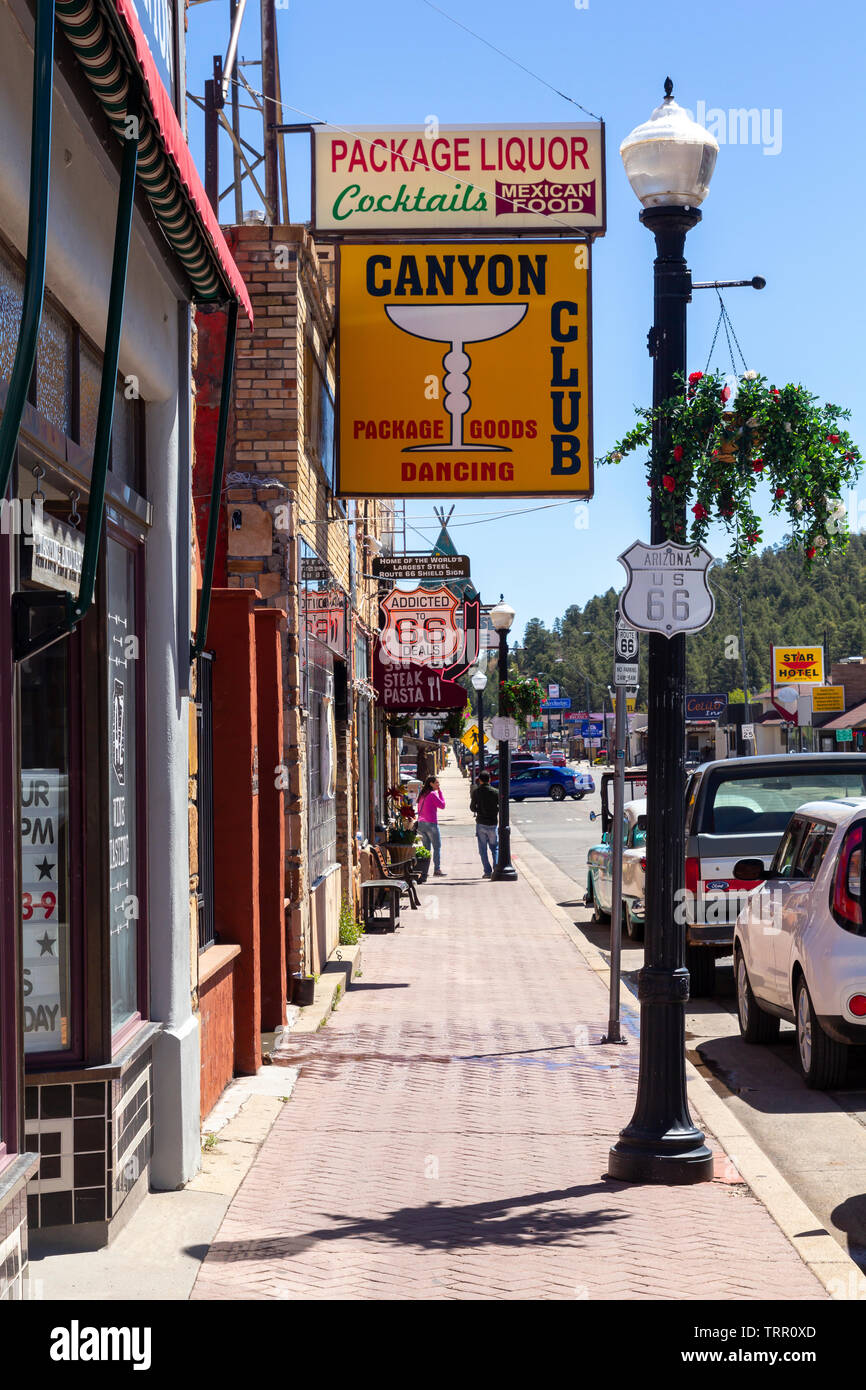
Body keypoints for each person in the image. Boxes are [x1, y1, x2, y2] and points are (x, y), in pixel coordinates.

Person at [470, 771, 499, 878]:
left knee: (483, 850)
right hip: (492, 823)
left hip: (481, 822)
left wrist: (479, 809)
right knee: (495, 847)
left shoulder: (476, 792)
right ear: (489, 779)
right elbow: (500, 806)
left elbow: (472, 807)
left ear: (480, 780)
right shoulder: (495, 792)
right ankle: (496, 868)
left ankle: (487, 872)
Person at [416, 775, 446, 876]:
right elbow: (442, 805)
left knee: (426, 848)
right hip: (431, 824)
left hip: (421, 824)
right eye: (436, 782)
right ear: (431, 783)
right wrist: (440, 793)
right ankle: (437, 870)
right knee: (437, 847)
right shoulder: (433, 794)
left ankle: (425, 871)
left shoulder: (422, 794)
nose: (438, 784)